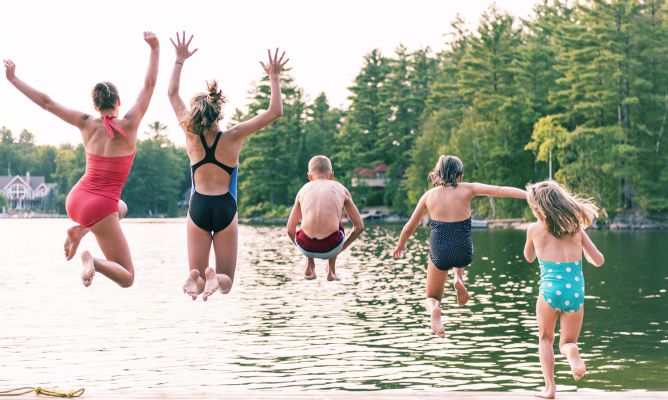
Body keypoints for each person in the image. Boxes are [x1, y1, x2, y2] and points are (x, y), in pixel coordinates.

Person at [4, 32, 159, 288]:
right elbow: (150, 85)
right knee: (128, 277)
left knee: (122, 207)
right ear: (118, 101)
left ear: (95, 105)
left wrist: (13, 79)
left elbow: (46, 103)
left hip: (76, 198)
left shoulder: (86, 123)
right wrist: (155, 49)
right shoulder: (130, 124)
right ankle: (92, 260)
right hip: (99, 206)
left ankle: (79, 231)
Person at [168, 32, 288, 301]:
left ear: (196, 115)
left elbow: (172, 93)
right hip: (225, 207)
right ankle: (212, 277)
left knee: (196, 281)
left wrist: (179, 59)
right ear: (217, 113)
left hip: (198, 206)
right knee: (227, 281)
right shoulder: (234, 136)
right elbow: (275, 111)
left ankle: (197, 276)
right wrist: (274, 77)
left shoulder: (190, 136)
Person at [393, 155, 527, 337]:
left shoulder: (428, 196)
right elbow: (501, 190)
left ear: (437, 175)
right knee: (459, 241)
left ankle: (435, 310)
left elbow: (410, 226)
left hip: (439, 253)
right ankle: (458, 279)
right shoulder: (468, 188)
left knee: (431, 296)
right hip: (463, 251)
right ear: (460, 176)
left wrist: (401, 245)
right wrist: (529, 195)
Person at [524, 180, 604, 399]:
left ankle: (550, 389)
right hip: (575, 293)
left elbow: (528, 257)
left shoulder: (534, 229)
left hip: (550, 292)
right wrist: (582, 253)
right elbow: (598, 260)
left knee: (545, 338)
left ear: (538, 208)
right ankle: (573, 355)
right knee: (568, 342)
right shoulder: (576, 228)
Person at [286, 155, 364, 281]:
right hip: (331, 248)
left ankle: (309, 263)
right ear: (331, 175)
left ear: (309, 176)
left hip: (305, 246)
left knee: (305, 223)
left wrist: (301, 248)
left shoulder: (302, 190)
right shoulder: (341, 188)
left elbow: (290, 230)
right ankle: (331, 271)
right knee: (336, 222)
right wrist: (341, 249)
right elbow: (359, 227)